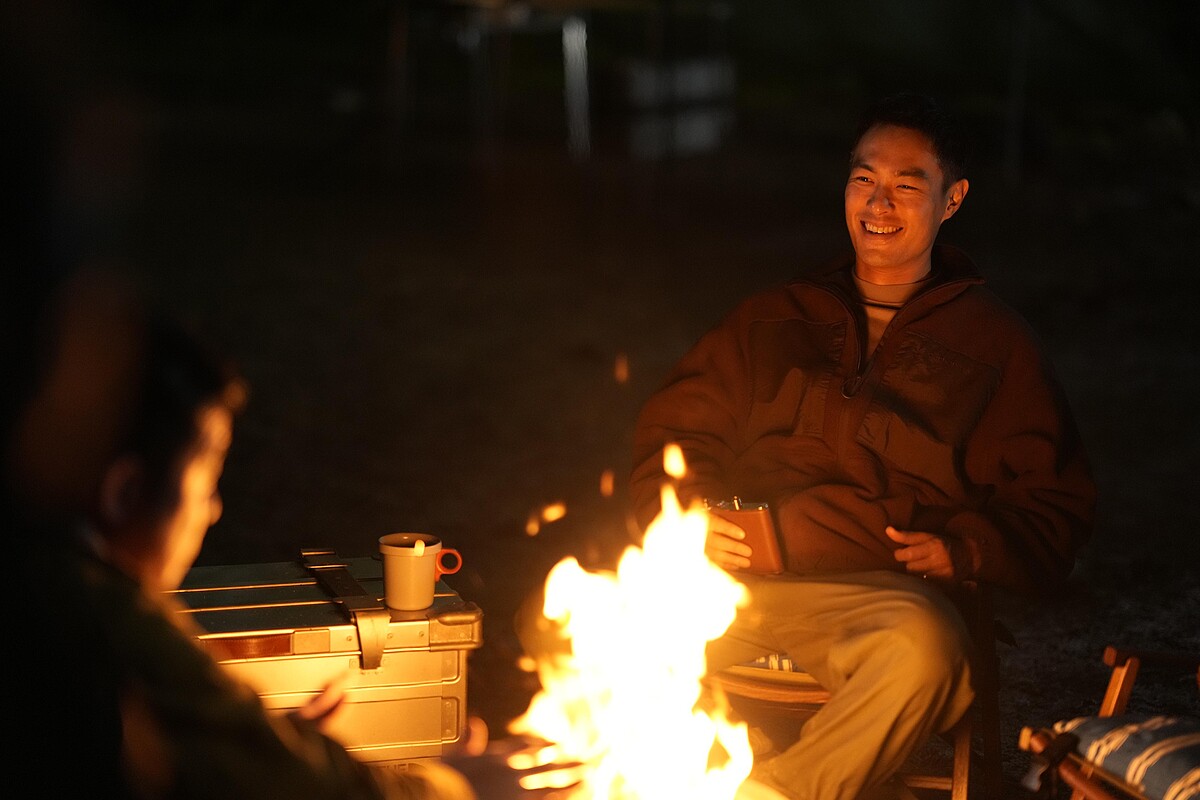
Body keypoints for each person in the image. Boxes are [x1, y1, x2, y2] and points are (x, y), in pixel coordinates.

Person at [627, 93, 1096, 800]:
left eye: (906, 185)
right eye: (864, 179)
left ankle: (771, 793)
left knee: (924, 651)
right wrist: (691, 509)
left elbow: (1055, 503)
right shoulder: (775, 317)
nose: (879, 203)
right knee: (572, 617)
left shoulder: (995, 347)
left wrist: (967, 550)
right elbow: (676, 433)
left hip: (877, 604)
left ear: (952, 199)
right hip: (731, 588)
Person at [6, 276, 570, 799]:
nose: (213, 511)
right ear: (126, 492)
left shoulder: (45, 573)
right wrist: (458, 787)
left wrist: (268, 748)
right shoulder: (108, 622)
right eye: (204, 485)